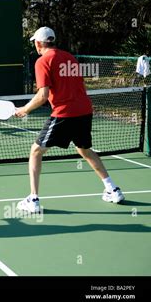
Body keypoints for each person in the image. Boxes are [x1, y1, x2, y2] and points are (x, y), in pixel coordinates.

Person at [14, 27, 124, 213]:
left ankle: (33, 199)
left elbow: (42, 95)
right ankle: (113, 189)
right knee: (85, 150)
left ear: (39, 43)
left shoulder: (42, 62)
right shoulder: (70, 57)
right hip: (84, 110)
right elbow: (78, 85)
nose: (35, 45)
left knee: (35, 152)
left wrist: (25, 109)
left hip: (64, 114)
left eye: (35, 42)